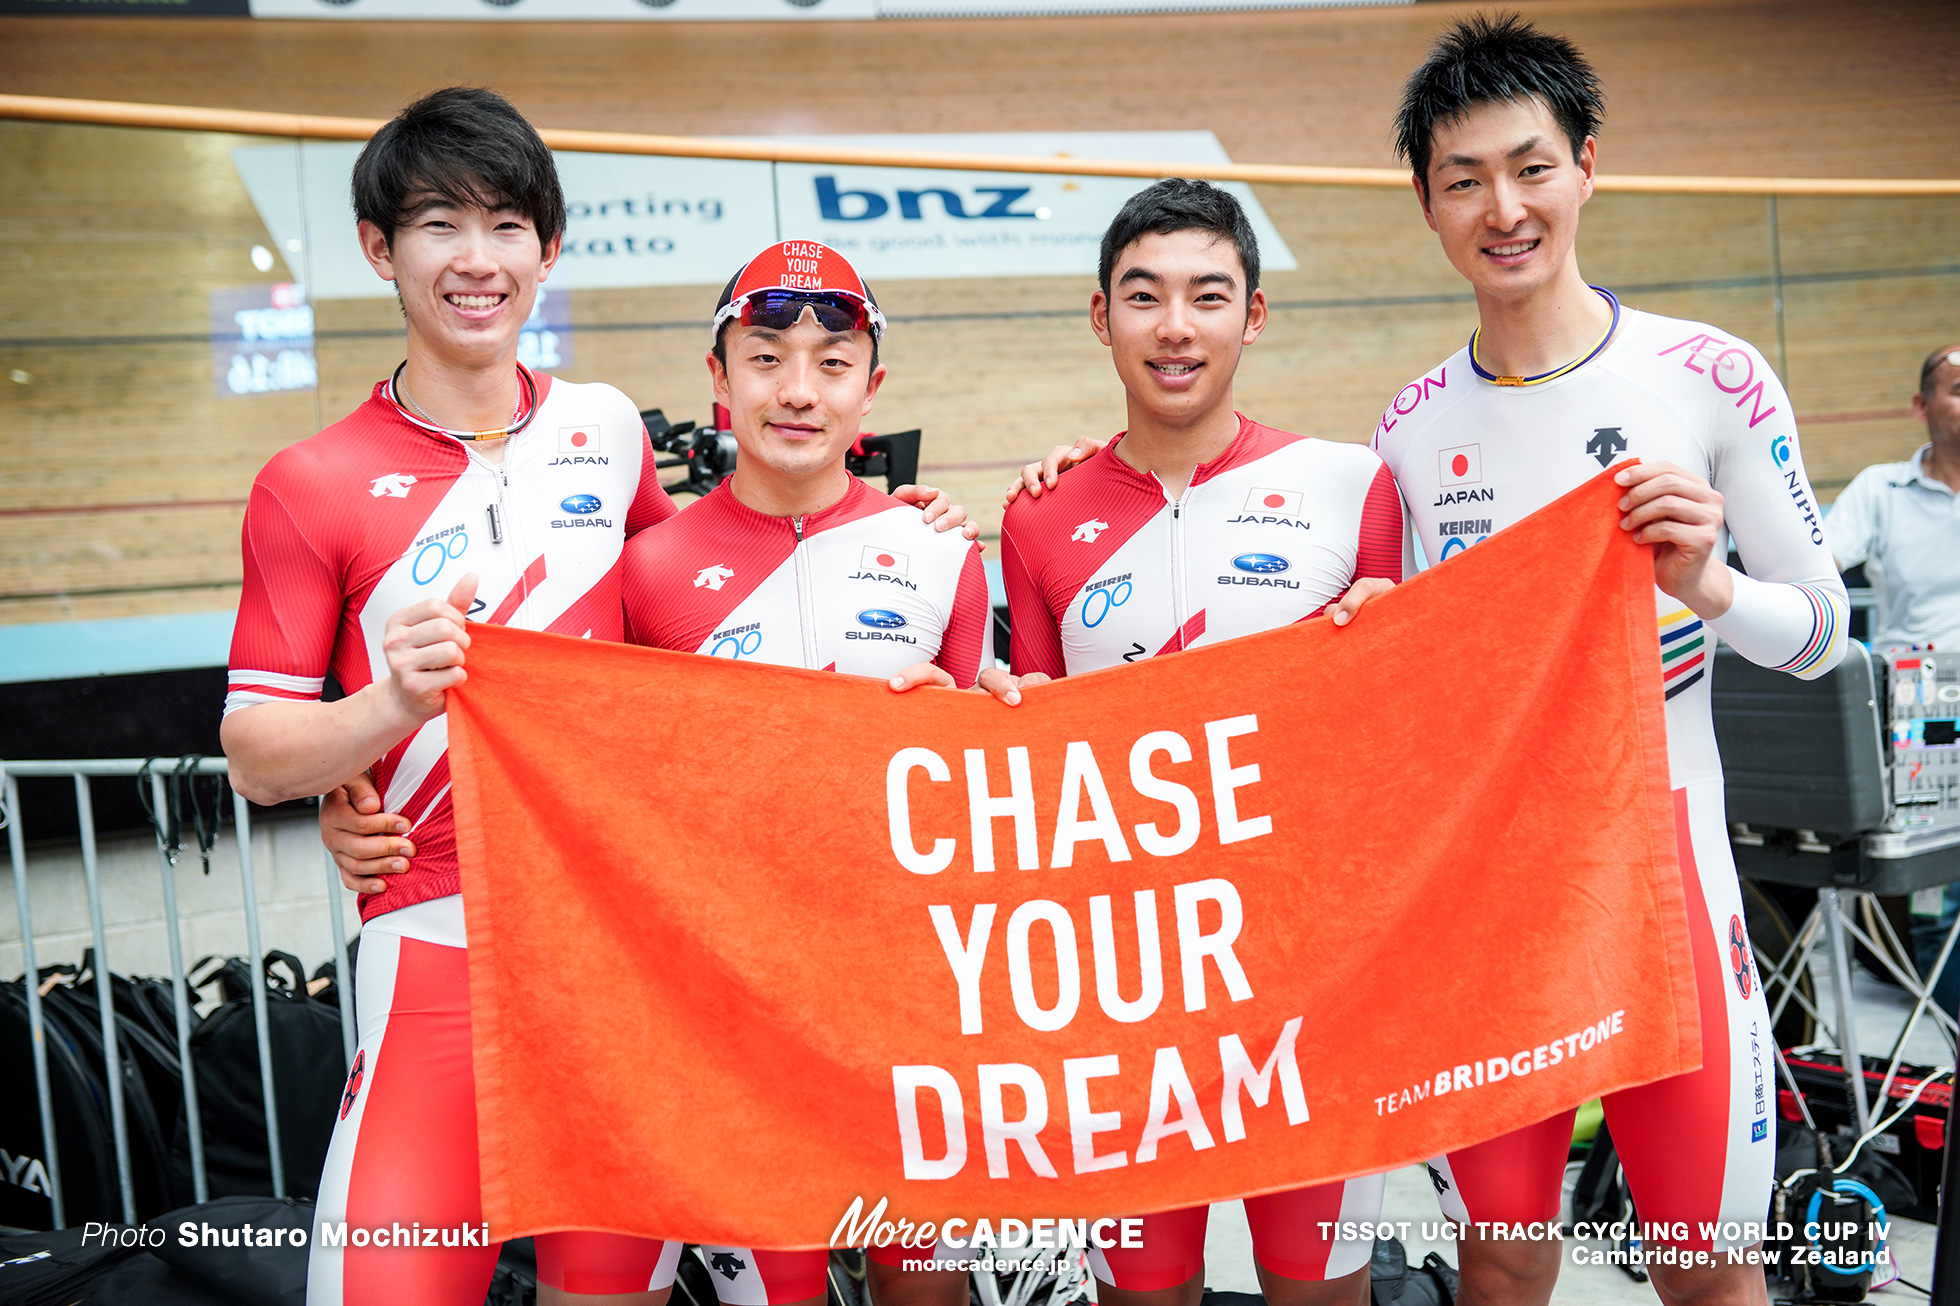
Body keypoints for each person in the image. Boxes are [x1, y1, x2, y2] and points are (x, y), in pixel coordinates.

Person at [1009, 19, 1848, 1306]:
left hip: (1665, 877)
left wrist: (1711, 585)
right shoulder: (1401, 436)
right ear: (1426, 200)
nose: (1501, 208)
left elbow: (1823, 633)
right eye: (1464, 179)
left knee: (1703, 1266)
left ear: (1583, 167)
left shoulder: (1708, 375)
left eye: (1530, 167)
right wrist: (1085, 472)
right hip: (1477, 905)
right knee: (1503, 1258)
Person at [225, 90, 967, 1306]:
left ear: (548, 248)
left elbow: (698, 624)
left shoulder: (606, 431)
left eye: (507, 225)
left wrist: (888, 522)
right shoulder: (309, 483)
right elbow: (256, 751)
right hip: (436, 939)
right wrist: (378, 721)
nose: (477, 259)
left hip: (627, 951)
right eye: (438, 226)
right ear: (378, 247)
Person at [998, 178, 1404, 1306]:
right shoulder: (1035, 516)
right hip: (1127, 997)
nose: (1175, 326)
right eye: (1145, 297)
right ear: (1101, 317)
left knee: (1319, 1292)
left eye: (1207, 296)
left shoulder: (1351, 484)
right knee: (1143, 1294)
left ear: (1253, 315)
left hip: (1317, 983)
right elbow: (1032, 754)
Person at [617, 238, 1019, 1306]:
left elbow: (990, 783)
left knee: (926, 1292)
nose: (797, 390)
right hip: (736, 1022)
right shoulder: (645, 568)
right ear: (718, 375)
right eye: (764, 357)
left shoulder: (941, 548)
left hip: (914, 1012)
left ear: (871, 388)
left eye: (832, 362)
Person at [1827, 344, 1960, 1007]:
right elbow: (1814, 567)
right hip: (1921, 700)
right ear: (1922, 406)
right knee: (1937, 869)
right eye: (1958, 389)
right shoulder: (1881, 490)